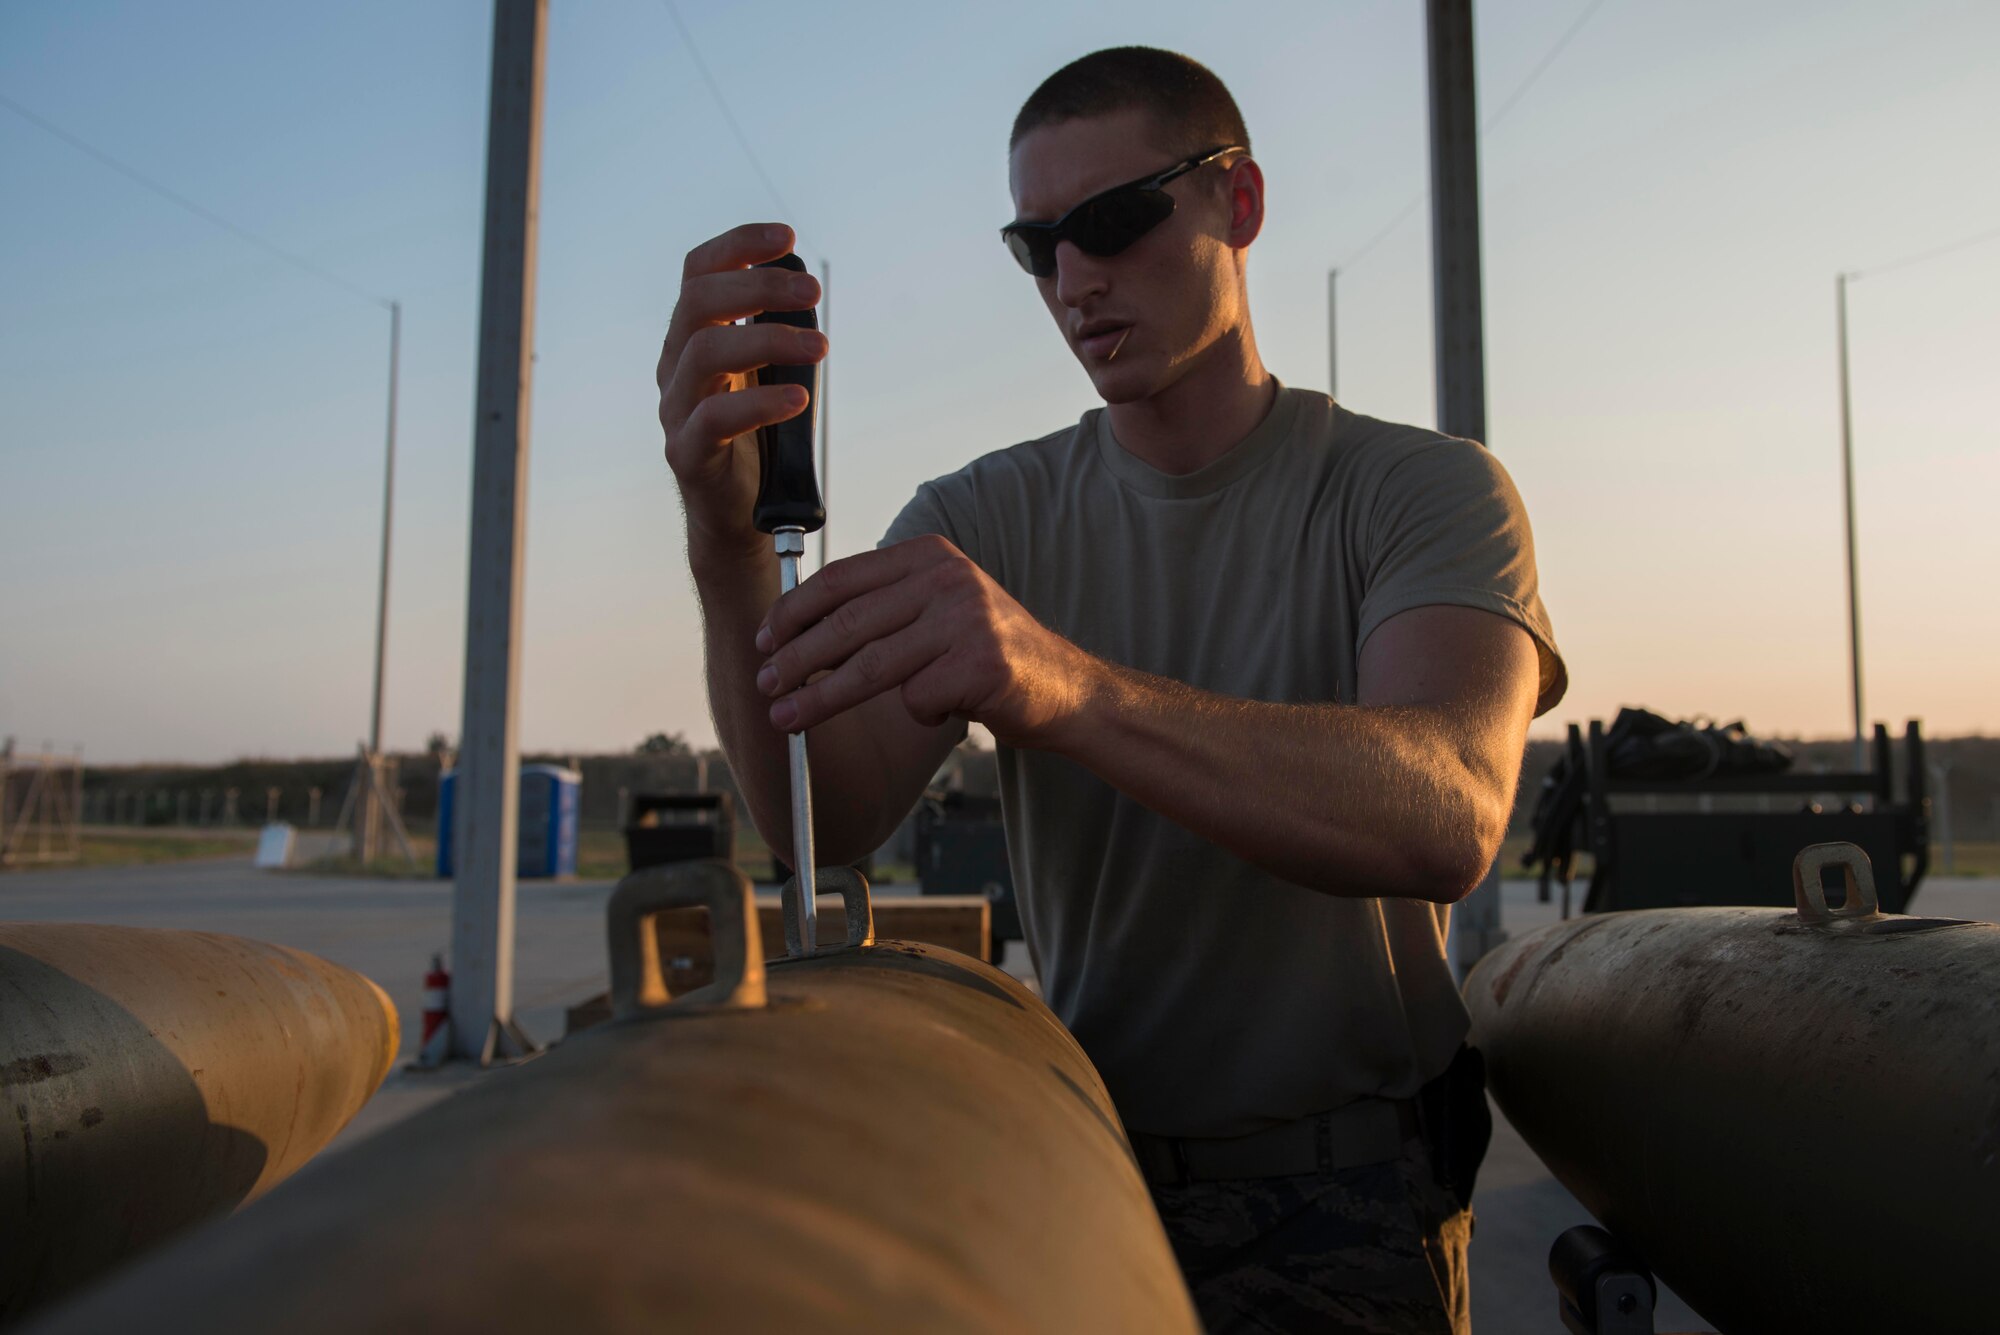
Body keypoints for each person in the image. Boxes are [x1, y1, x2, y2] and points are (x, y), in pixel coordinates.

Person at [656, 45, 1564, 1335]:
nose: (1078, 277)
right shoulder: (981, 518)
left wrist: (1062, 685)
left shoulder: (1419, 491)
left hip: (1353, 1195)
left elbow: (1447, 813)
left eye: (1117, 221)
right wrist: (730, 544)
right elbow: (832, 815)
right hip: (1083, 1180)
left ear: (1237, 206)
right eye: (1039, 247)